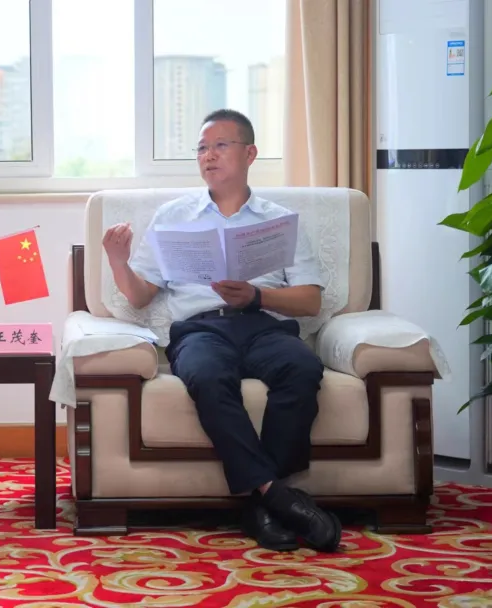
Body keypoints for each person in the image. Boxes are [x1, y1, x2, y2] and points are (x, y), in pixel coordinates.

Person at [102, 109, 342, 553]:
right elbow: (139, 296)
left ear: (249, 154)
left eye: (219, 146)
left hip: (265, 325)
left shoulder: (279, 220)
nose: (208, 156)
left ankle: (258, 505)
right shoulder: (174, 216)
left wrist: (256, 296)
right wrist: (119, 262)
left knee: (303, 368)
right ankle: (276, 495)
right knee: (208, 376)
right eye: (201, 148)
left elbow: (310, 300)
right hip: (201, 330)